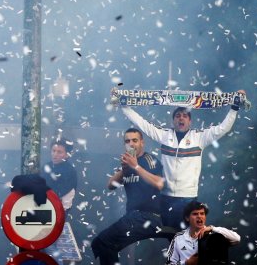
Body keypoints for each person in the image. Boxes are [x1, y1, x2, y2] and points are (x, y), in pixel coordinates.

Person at [120, 91, 246, 227]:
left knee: (187, 238)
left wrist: (234, 108)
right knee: (170, 236)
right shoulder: (164, 135)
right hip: (165, 197)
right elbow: (142, 124)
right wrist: (124, 107)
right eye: (178, 116)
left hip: (188, 198)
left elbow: (223, 128)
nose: (181, 118)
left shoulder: (199, 137)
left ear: (190, 121)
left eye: (185, 116)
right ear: (173, 120)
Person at [90, 128, 174, 265]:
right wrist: (124, 170)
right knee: (104, 244)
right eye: (127, 141)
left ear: (142, 143)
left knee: (102, 241)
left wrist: (136, 167)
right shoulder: (127, 162)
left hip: (148, 217)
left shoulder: (149, 159)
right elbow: (110, 185)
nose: (131, 144)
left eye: (135, 140)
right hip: (132, 217)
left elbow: (160, 184)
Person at [166, 200, 240, 265]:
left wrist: (212, 228)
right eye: (195, 214)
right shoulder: (178, 238)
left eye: (202, 213)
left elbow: (237, 239)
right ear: (187, 218)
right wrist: (186, 263)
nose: (199, 216)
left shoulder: (213, 236)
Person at [44, 138, 77, 210]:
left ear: (67, 155)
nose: (55, 154)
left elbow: (65, 194)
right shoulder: (45, 167)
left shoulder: (70, 171)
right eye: (53, 151)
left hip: (60, 209)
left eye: (59, 152)